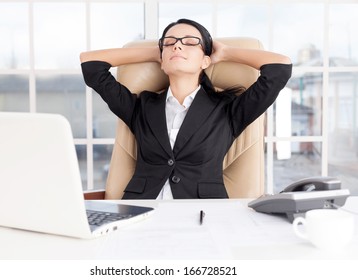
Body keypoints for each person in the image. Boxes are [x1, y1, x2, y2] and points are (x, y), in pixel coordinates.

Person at [80, 18, 292, 199]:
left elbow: (279, 69)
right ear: (161, 61)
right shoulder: (140, 107)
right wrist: (155, 52)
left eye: (190, 43)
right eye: (170, 43)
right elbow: (91, 64)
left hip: (203, 216)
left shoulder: (229, 111)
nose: (177, 46)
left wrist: (226, 53)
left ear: (206, 60)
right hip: (141, 212)